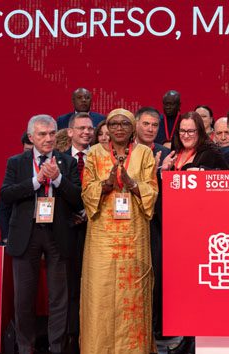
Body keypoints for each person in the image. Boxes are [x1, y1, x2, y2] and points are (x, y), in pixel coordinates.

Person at [0, 114, 82, 354]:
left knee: (60, 298)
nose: (48, 139)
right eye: (42, 134)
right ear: (31, 137)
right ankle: (26, 347)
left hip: (58, 233)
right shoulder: (16, 162)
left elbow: (77, 198)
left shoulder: (66, 163)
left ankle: (56, 347)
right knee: (23, 298)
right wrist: (37, 181)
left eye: (51, 134)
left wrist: (57, 179)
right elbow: (6, 194)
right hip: (27, 233)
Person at [79, 108, 158, 353]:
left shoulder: (145, 153)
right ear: (107, 128)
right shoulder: (93, 154)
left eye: (125, 123)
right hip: (102, 237)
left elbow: (153, 190)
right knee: (100, 292)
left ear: (133, 127)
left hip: (134, 235)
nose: (119, 128)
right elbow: (86, 192)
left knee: (134, 292)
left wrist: (132, 184)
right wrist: (107, 185)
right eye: (114, 124)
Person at [134, 106, 171, 341]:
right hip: (130, 221)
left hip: (158, 222)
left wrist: (161, 172)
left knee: (157, 274)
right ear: (136, 124)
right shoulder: (127, 151)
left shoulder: (165, 153)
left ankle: (156, 327)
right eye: (146, 124)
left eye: (155, 125)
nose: (150, 129)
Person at [63, 112, 95, 352]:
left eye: (89, 128)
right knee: (70, 286)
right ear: (70, 132)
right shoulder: (59, 160)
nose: (86, 132)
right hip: (68, 231)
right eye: (81, 128)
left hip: (98, 230)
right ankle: (71, 335)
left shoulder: (102, 157)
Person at [161, 111, 228, 171]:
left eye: (191, 131)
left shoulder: (211, 151)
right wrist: (163, 171)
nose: (186, 136)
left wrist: (204, 172)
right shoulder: (175, 149)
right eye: (182, 131)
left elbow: (228, 177)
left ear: (199, 132)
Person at [0, 132, 33, 243]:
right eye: (28, 150)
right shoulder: (16, 166)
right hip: (20, 232)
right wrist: (5, 236)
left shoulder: (54, 166)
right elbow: (4, 206)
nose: (32, 154)